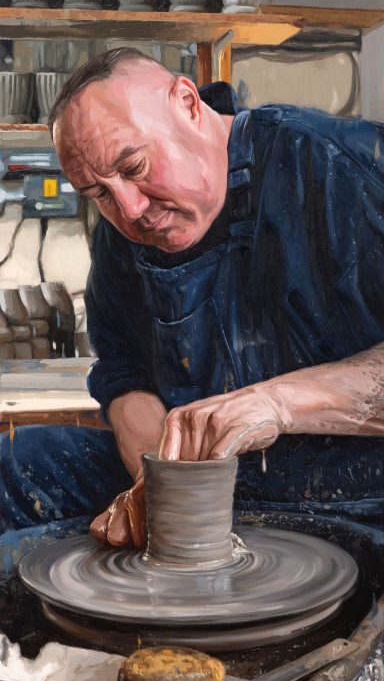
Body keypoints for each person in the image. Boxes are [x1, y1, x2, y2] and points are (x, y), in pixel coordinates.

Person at [0, 47, 383, 570]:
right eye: (98, 194)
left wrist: (276, 404)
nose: (130, 209)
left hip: (352, 497)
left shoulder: (341, 166)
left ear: (187, 103)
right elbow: (122, 370)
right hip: (206, 493)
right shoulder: (129, 224)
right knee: (13, 464)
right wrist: (155, 477)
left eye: (134, 166)